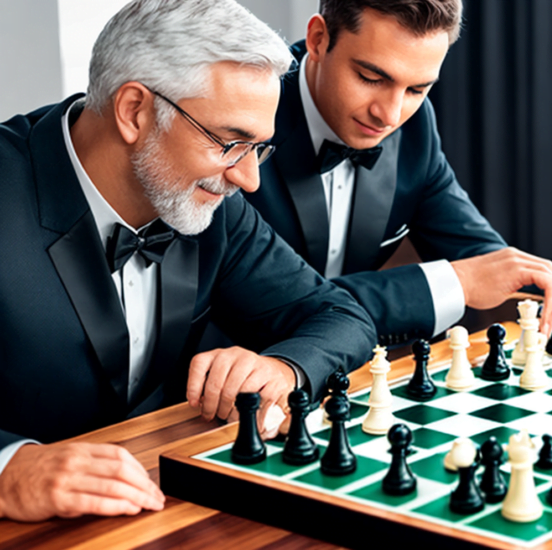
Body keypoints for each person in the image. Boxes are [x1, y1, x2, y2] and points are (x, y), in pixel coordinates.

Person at [0, 0, 375, 522]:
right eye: (230, 142)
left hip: (162, 512)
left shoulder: (214, 206)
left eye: (258, 148)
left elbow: (340, 316)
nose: (249, 180)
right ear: (134, 110)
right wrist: (8, 470)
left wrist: (283, 368)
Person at [248, 0, 552, 347]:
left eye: (416, 89)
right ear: (318, 39)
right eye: (370, 78)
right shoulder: (241, 119)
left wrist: (546, 283)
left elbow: (474, 248)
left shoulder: (415, 126)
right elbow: (275, 305)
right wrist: (456, 282)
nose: (390, 116)